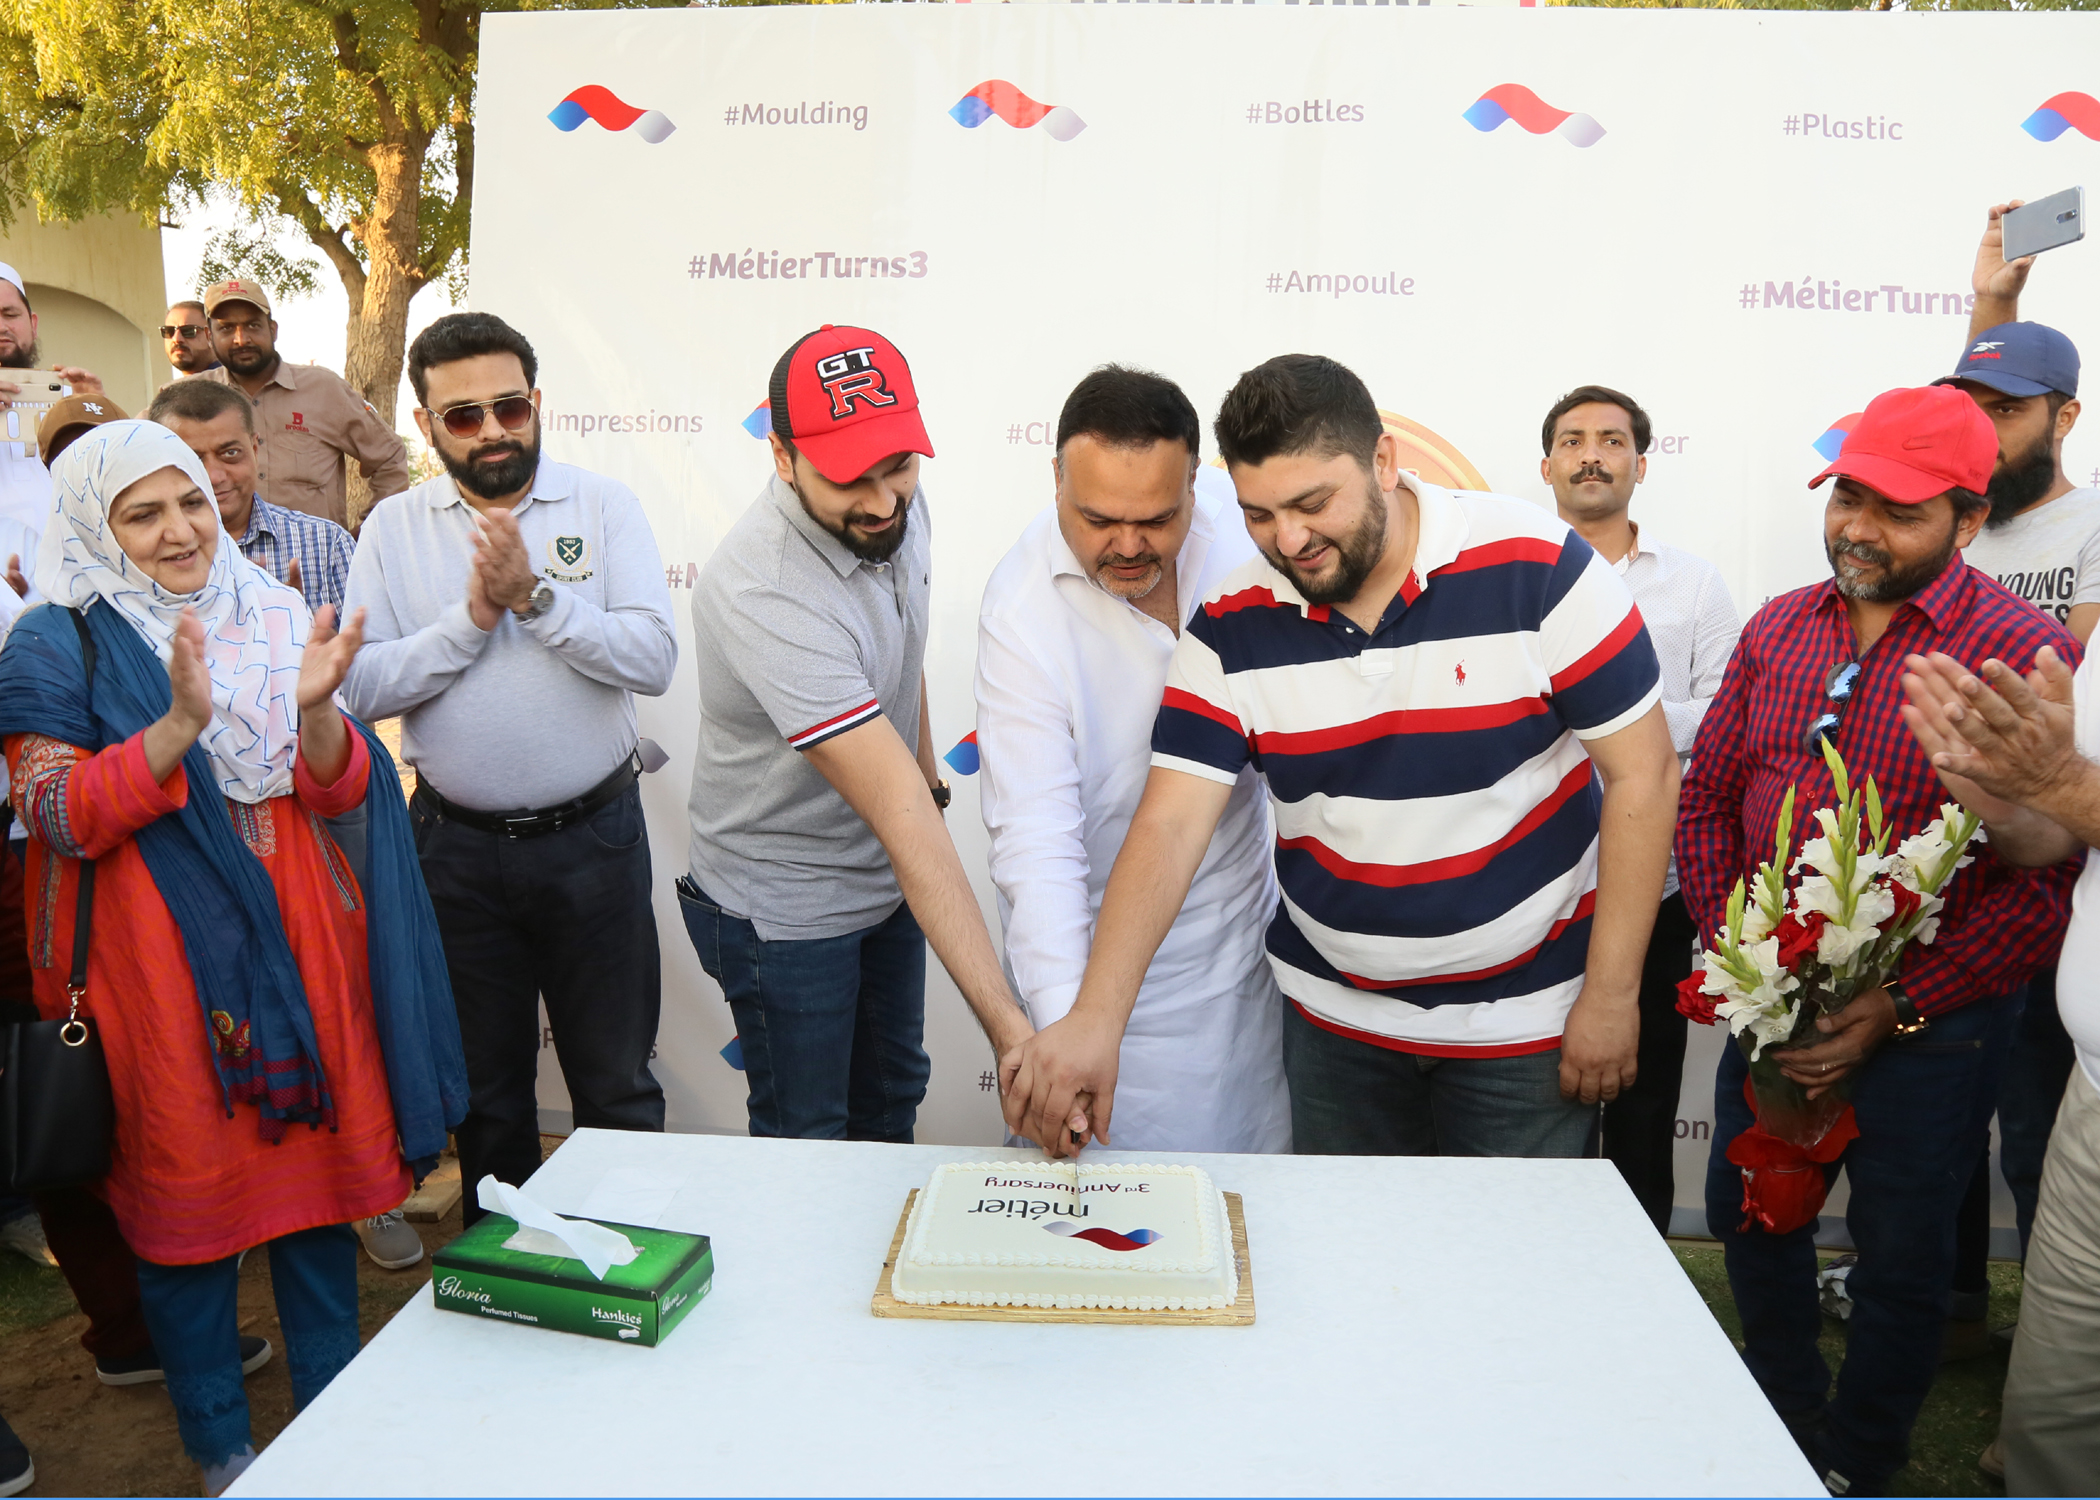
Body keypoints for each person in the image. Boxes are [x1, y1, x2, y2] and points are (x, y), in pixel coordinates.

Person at [1004, 354, 1678, 1159]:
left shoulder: (1540, 567)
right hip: (1334, 1035)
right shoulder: (1231, 623)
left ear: (1384, 461)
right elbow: (1171, 825)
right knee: (1343, 1243)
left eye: (1312, 503)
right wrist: (1092, 1021)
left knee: (1513, 1244)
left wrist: (1612, 995)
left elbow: (1643, 774)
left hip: (1524, 1029)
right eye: (1259, 514)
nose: (1289, 539)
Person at [0, 420, 465, 1495]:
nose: (179, 532)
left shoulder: (267, 609)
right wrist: (176, 727)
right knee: (187, 1223)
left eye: (190, 504)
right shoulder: (53, 641)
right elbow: (58, 813)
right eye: (142, 514)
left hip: (306, 946)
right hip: (156, 974)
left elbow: (337, 793)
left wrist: (316, 711)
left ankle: (332, 1430)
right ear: (93, 526)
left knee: (318, 1204)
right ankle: (221, 1450)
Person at [1676, 385, 2079, 1499]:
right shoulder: (1777, 627)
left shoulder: (2025, 654)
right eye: (1848, 497)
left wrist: (1898, 1007)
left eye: (1898, 511)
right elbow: (1706, 801)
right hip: (1771, 1011)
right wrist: (1750, 968)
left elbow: (2048, 884)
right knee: (1753, 1220)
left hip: (1932, 1035)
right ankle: (1780, 1421)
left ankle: (1860, 1459)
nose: (1859, 528)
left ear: (1968, 518)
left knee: (1904, 1258)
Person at [343, 311, 674, 1222]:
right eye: (463, 416)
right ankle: (504, 1280)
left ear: (536, 403)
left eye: (509, 407)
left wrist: (536, 600)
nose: (492, 430)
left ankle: (629, 1266)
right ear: (426, 425)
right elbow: (360, 686)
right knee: (486, 1098)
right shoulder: (394, 529)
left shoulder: (602, 506)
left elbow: (653, 658)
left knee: (616, 1084)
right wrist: (471, 622)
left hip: (595, 843)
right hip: (455, 855)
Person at [683, 324, 1033, 1142]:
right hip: (785, 908)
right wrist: (1012, 1034)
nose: (881, 503)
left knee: (892, 1099)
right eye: (848, 478)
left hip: (883, 877)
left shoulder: (898, 508)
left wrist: (930, 779)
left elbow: (898, 653)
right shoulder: (765, 588)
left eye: (898, 466)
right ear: (782, 456)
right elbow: (900, 816)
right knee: (809, 1136)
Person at [974, 366, 1289, 1154]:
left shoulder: (1251, 536)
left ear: (1196, 483)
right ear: (1055, 479)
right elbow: (1036, 840)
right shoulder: (1020, 609)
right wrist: (1068, 1025)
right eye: (1098, 519)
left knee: (1253, 1196)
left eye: (1155, 519)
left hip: (1248, 957)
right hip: (1094, 978)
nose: (1127, 545)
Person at [1899, 632, 2100, 1497]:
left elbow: (2078, 793)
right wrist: (2011, 805)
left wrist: (2059, 784)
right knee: (2049, 1426)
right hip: (2091, 1099)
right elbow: (2062, 837)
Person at [1541, 384, 1742, 1235]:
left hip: (1655, 884)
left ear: (1641, 464)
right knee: (1530, 1096)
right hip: (1534, 887)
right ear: (1546, 465)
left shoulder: (1692, 585)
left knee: (1645, 1095)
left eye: (1612, 440)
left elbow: (1729, 710)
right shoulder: (1510, 574)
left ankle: (1640, 1267)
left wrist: (1610, 718)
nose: (1592, 454)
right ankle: (1538, 1258)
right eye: (1573, 440)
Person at [196, 278, 410, 529]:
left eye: (253, 325)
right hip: (222, 553)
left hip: (317, 554)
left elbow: (390, 457)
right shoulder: (191, 398)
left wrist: (369, 534)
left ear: (273, 330)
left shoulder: (324, 389)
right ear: (209, 336)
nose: (241, 339)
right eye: (226, 328)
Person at [147, 379, 356, 617]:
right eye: (192, 459)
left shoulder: (326, 545)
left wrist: (301, 631)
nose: (214, 477)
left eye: (230, 453)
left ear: (255, 450)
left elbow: (362, 638)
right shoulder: (142, 555)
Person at [162, 301, 218, 377]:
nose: (176, 339)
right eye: (169, 331)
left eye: (188, 331)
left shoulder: (229, 381)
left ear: (211, 335)